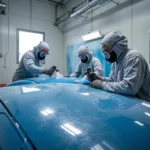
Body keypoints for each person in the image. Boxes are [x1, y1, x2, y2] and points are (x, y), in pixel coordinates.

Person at [89, 31, 150, 101]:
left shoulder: (133, 57)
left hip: (142, 104)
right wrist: (100, 78)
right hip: (129, 102)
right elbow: (113, 80)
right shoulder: (116, 62)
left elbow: (129, 87)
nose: (106, 56)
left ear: (117, 47)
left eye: (106, 51)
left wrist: (102, 84)